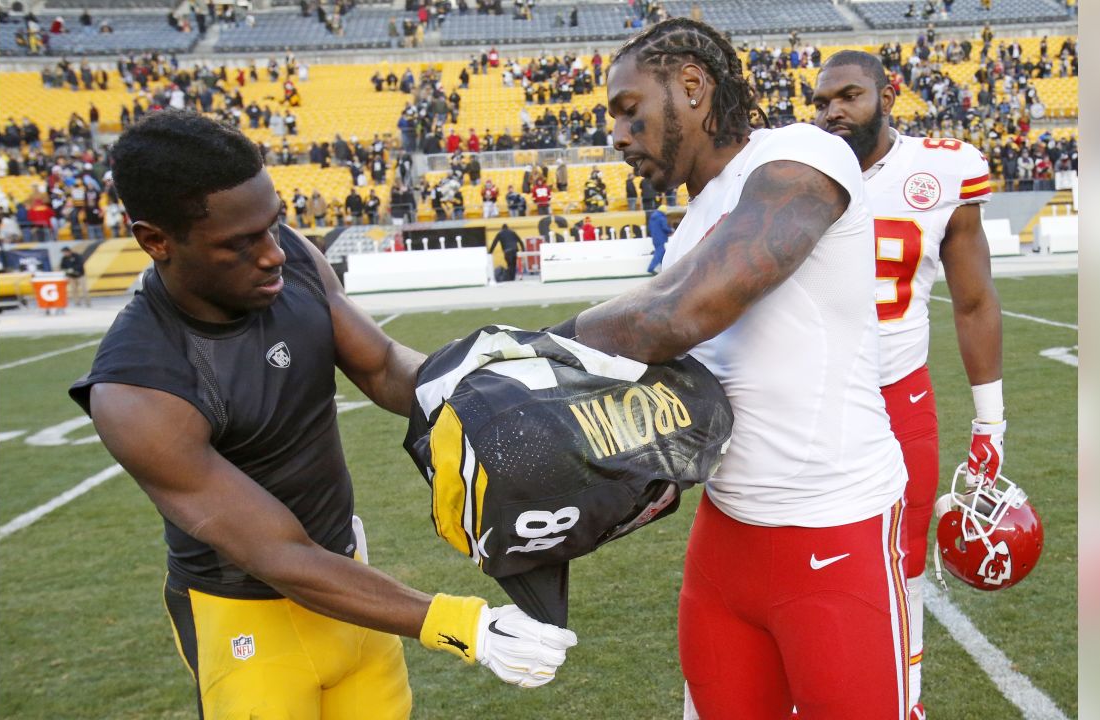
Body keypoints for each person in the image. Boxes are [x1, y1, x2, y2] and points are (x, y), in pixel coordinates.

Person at [67, 112, 576, 719]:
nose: (272, 254)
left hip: (352, 586)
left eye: (274, 225)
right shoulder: (137, 388)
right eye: (240, 243)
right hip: (246, 620)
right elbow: (278, 555)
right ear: (156, 241)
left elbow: (384, 366)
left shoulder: (294, 264)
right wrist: (466, 625)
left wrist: (489, 386)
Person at [550, 18, 910, 719]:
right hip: (725, 541)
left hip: (835, 525)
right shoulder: (688, 227)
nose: (618, 136)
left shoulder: (802, 154)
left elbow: (682, 314)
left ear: (692, 86)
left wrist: (531, 350)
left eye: (630, 111)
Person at [812, 50, 1004, 720]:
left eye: (848, 95)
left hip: (901, 395)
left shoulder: (944, 168)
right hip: (816, 399)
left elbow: (975, 302)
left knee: (907, 562)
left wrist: (991, 424)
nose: (833, 110)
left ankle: (907, 700)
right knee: (820, 555)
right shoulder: (795, 167)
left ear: (886, 94)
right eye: (822, 100)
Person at [645, 205, 671, 274]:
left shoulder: (653, 217)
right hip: (661, 238)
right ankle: (650, 268)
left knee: (662, 253)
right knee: (659, 253)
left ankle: (665, 268)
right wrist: (671, 230)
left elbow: (650, 228)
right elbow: (665, 228)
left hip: (655, 238)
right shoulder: (662, 218)